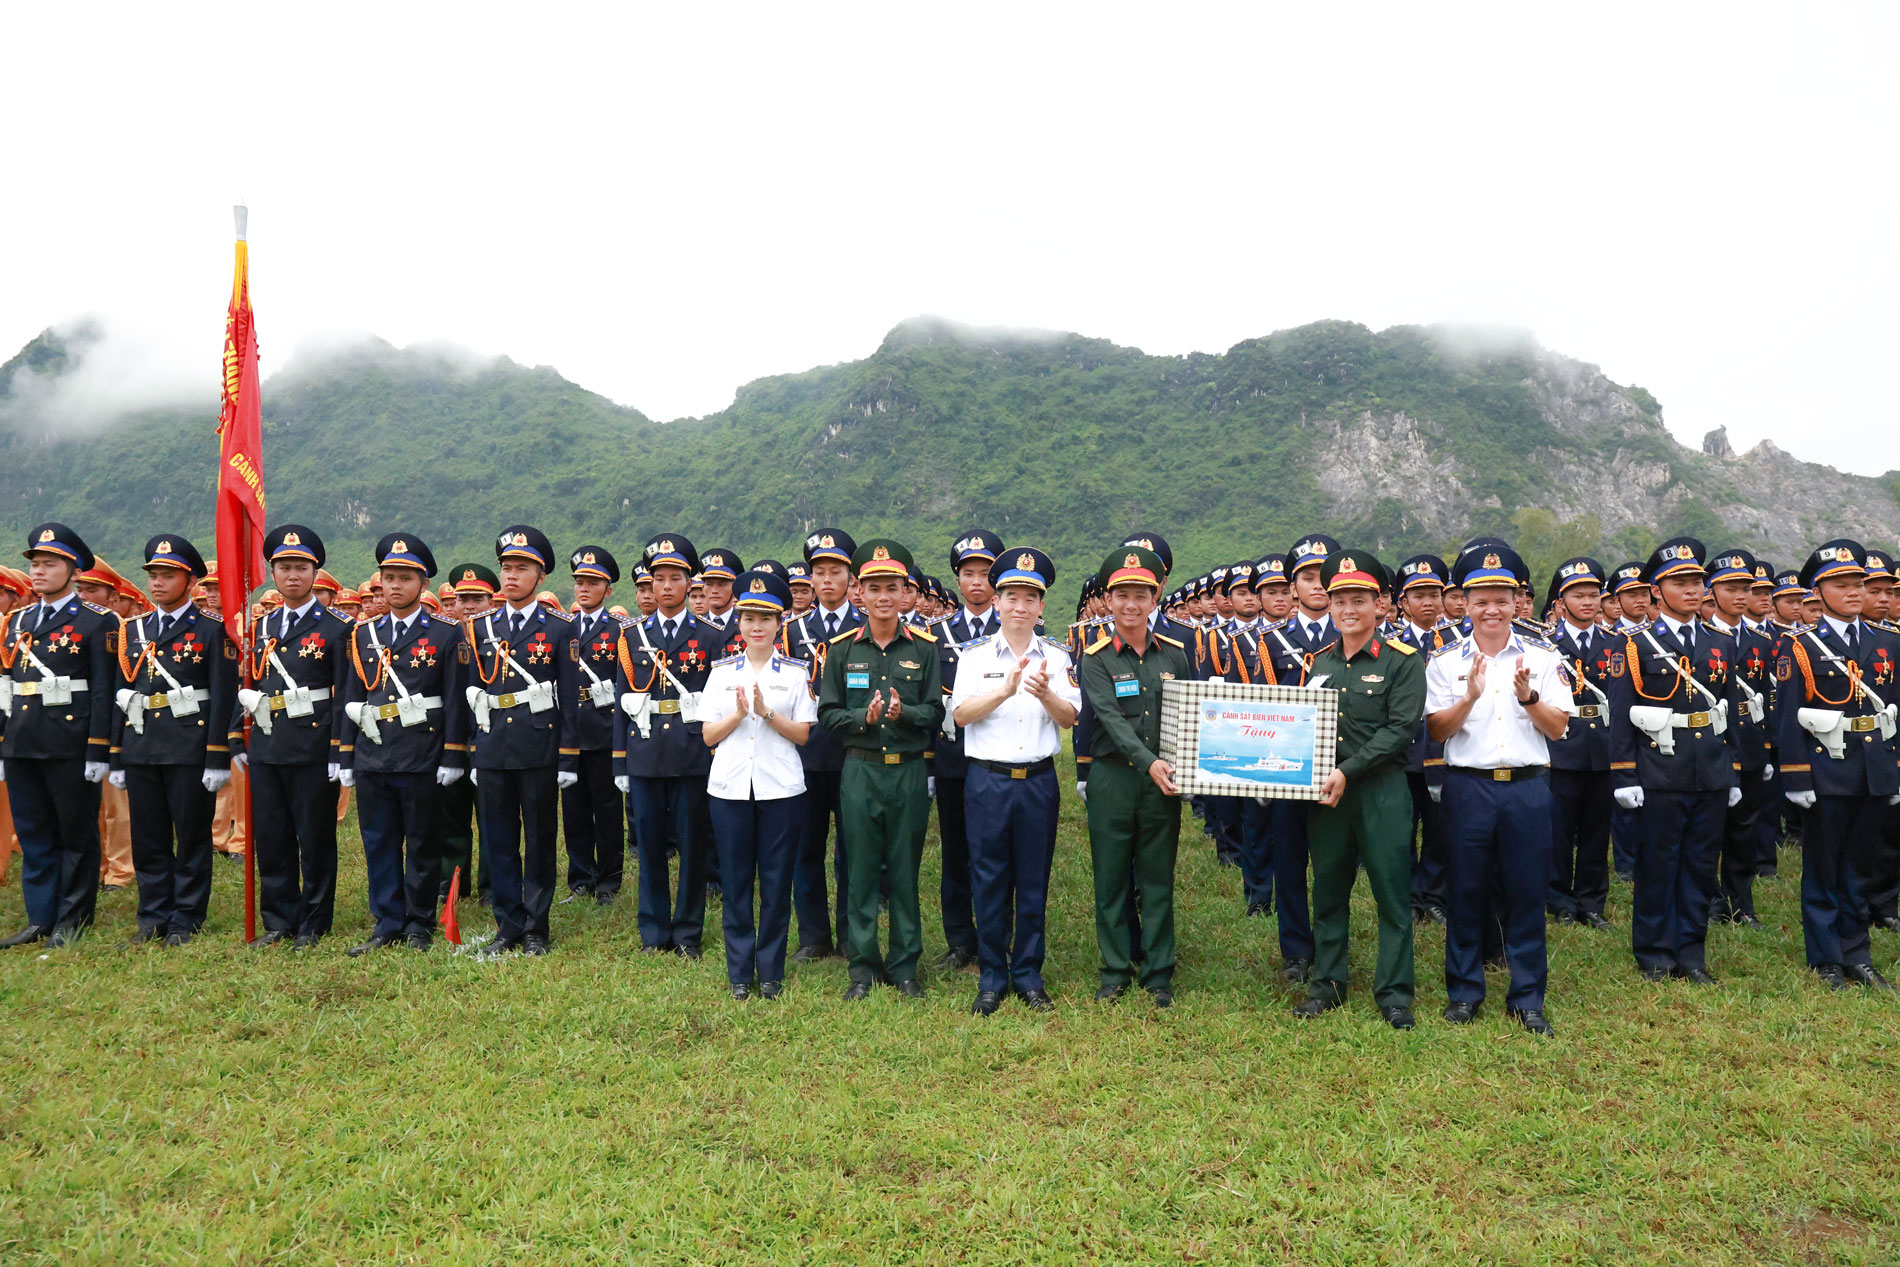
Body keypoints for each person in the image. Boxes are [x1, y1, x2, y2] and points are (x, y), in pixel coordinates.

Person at [1425, 546, 1572, 1035]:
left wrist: (1528, 696)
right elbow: (1439, 732)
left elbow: (1557, 730)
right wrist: (1469, 696)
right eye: (1481, 599)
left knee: (1527, 893)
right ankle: (1464, 992)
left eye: (1502, 599)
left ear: (1517, 602)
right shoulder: (1446, 663)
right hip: (1469, 788)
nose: (1492, 609)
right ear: (1464, 604)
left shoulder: (1543, 657)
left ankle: (1528, 997)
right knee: (1466, 890)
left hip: (1527, 790)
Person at [1293, 551, 1426, 1029]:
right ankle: (1327, 985)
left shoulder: (1403, 662)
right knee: (1328, 890)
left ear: (1380, 605)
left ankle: (1394, 994)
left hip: (1381, 792)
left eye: (1359, 600)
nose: (1349, 609)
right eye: (1340, 600)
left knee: (1392, 893)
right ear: (1329, 606)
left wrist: (1348, 769)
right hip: (1327, 796)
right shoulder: (1320, 661)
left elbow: (1401, 729)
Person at [950, 547, 1079, 1015]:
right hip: (988, 781)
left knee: (1032, 879)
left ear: (1041, 606)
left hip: (1038, 783)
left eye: (1030, 598)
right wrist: (1004, 689)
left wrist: (1045, 694)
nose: (1020, 606)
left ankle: (1027, 973)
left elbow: (1069, 719)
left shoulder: (1057, 658)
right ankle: (990, 976)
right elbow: (961, 714)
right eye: (1011, 596)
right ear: (997, 602)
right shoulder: (974, 657)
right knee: (987, 879)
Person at [1607, 537, 1740, 985]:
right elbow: (1622, 714)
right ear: (1656, 591)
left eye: (1697, 581)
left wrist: (1733, 768)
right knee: (1658, 863)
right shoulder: (1636, 642)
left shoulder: (1721, 640)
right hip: (1659, 767)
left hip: (1711, 766)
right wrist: (1624, 774)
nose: (1691, 590)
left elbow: (1730, 709)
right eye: (1679, 582)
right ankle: (1654, 952)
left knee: (1702, 864)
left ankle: (1691, 952)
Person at [816, 539, 944, 1000]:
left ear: (906, 593)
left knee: (906, 870)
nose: (884, 597)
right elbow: (827, 715)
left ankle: (905, 965)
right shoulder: (842, 650)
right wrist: (863, 719)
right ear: (859, 594)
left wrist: (902, 714)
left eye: (893, 587)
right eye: (874, 588)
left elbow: (935, 713)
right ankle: (862, 967)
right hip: (860, 771)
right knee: (862, 869)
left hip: (907, 771)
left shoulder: (925, 650)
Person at [337, 534, 470, 954]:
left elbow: (454, 699)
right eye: (388, 577)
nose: (395, 586)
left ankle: (419, 922)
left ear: (423, 583)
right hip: (373, 752)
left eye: (405, 578)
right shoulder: (363, 635)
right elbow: (352, 696)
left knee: (422, 841)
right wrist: (345, 753)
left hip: (422, 753)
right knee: (378, 841)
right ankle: (387, 921)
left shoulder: (447, 634)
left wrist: (453, 752)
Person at [1773, 540, 1897, 990]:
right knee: (1824, 866)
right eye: (1840, 585)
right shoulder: (1801, 646)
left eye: (1858, 585)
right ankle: (1826, 957)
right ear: (1817, 593)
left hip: (1873, 769)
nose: (1853, 593)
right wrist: (1796, 776)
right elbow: (1787, 717)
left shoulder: (1887, 641)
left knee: (1861, 865)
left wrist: (1893, 768)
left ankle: (1856, 951)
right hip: (1827, 768)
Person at [108, 535, 238, 946]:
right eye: (153, 575)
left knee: (192, 835)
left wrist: (218, 755)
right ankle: (152, 914)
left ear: (191, 581)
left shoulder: (212, 629)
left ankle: (186, 916)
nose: (158, 583)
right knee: (148, 836)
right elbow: (121, 691)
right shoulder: (133, 629)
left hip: (189, 745)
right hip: (142, 743)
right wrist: (116, 753)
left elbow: (223, 695)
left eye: (168, 575)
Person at [1077, 545, 1191, 1008]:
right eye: (1121, 594)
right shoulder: (1097, 657)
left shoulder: (1177, 656)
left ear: (1154, 597)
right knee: (1111, 878)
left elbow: (1190, 717)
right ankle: (1115, 970)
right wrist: (1149, 763)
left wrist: (1191, 767)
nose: (1130, 604)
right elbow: (1110, 720)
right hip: (1113, 779)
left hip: (1161, 783)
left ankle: (1159, 973)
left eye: (1140, 594)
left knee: (1158, 875)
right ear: (1108, 599)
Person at [232, 525, 352, 949]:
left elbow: (344, 696)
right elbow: (247, 684)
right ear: (273, 573)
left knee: (314, 837)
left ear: (316, 572)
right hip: (266, 742)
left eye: (302, 567)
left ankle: (314, 922)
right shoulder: (259, 627)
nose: (293, 575)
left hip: (313, 744)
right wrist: (235, 738)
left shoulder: (338, 627)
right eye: (284, 568)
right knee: (272, 835)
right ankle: (279, 919)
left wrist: (340, 748)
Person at [0, 525, 119, 948]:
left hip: (71, 743)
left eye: (49, 564)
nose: (38, 572)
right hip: (22, 743)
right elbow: (7, 685)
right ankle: (40, 918)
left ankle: (72, 919)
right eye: (34, 564)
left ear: (73, 571)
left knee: (75, 834)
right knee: (34, 834)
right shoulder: (17, 621)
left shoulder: (98, 621)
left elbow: (105, 690)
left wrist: (99, 748)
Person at [700, 571, 816, 1000]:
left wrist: (767, 712)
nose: (757, 626)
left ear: (779, 623)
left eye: (766, 618)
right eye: (749, 617)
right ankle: (739, 974)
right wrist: (737, 714)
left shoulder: (795, 673)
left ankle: (770, 972)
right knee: (735, 883)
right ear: (739, 622)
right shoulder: (721, 673)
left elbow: (804, 734)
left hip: (780, 790)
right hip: (730, 789)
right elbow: (708, 735)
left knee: (775, 882)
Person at [465, 526, 578, 957]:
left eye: (522, 569)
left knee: (539, 837)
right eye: (507, 568)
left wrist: (567, 757)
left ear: (541, 575)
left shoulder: (560, 628)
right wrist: (474, 750)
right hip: (494, 746)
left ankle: (537, 925)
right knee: (498, 839)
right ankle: (507, 923)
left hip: (539, 746)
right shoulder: (480, 628)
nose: (512, 576)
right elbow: (474, 694)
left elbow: (569, 698)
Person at [615, 534, 719, 957]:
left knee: (694, 847)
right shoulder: (631, 635)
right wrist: (620, 763)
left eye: (676, 578)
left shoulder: (710, 636)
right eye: (659, 579)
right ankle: (654, 931)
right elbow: (623, 703)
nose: (667, 587)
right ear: (651, 585)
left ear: (689, 583)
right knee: (651, 847)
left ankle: (688, 931)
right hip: (644, 752)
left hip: (693, 752)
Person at [780, 528, 862, 960]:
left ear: (851, 578)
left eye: (836, 572)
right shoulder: (793, 630)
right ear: (810, 579)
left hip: (853, 751)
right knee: (805, 847)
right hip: (806, 752)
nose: (827, 580)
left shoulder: (865, 626)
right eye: (819, 572)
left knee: (852, 849)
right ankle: (813, 936)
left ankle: (851, 935)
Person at [931, 527, 1007, 973]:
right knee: (956, 852)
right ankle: (961, 941)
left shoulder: (1017, 628)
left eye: (985, 574)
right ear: (958, 580)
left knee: (997, 854)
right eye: (968, 573)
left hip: (998, 756)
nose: (976, 582)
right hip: (953, 759)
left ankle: (998, 940)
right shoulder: (936, 633)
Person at [1704, 549, 1776, 930]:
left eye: (1745, 588)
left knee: (1744, 827)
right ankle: (1711, 899)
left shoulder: (1762, 642)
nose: (1740, 595)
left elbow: (1764, 700)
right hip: (1709, 741)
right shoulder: (1700, 637)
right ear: (1712, 592)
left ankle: (1741, 902)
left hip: (1747, 741)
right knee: (1709, 829)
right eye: (1731, 588)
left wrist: (1764, 751)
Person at [1545, 557, 1617, 930]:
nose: (1587, 602)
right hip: (1562, 745)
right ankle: (1559, 901)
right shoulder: (1546, 645)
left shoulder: (1617, 644)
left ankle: (1591, 901)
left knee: (1596, 829)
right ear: (1561, 603)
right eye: (1578, 595)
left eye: (1593, 595)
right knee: (1558, 829)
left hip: (1603, 746)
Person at [1392, 553, 1454, 926]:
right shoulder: (1391, 643)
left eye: (1434, 593)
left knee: (1438, 829)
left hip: (1443, 748)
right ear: (1403, 602)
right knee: (1401, 829)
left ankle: (1435, 896)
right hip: (1402, 751)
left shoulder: (1459, 641)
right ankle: (1408, 896)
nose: (1428, 602)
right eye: (1418, 595)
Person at [563, 545, 626, 907]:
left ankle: (609, 881)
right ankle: (580, 878)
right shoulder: (563, 628)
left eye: (592, 582)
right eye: (579, 582)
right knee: (573, 808)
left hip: (604, 727)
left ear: (607, 589)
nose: (584, 588)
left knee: (606, 808)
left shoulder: (618, 629)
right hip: (571, 729)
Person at [435, 563, 498, 904]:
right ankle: (452, 884)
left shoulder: (500, 639)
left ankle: (492, 887)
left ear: (493, 600)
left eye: (478, 598)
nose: (469, 605)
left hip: (489, 741)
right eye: (462, 598)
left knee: (492, 820)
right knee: (450, 819)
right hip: (447, 742)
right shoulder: (440, 637)